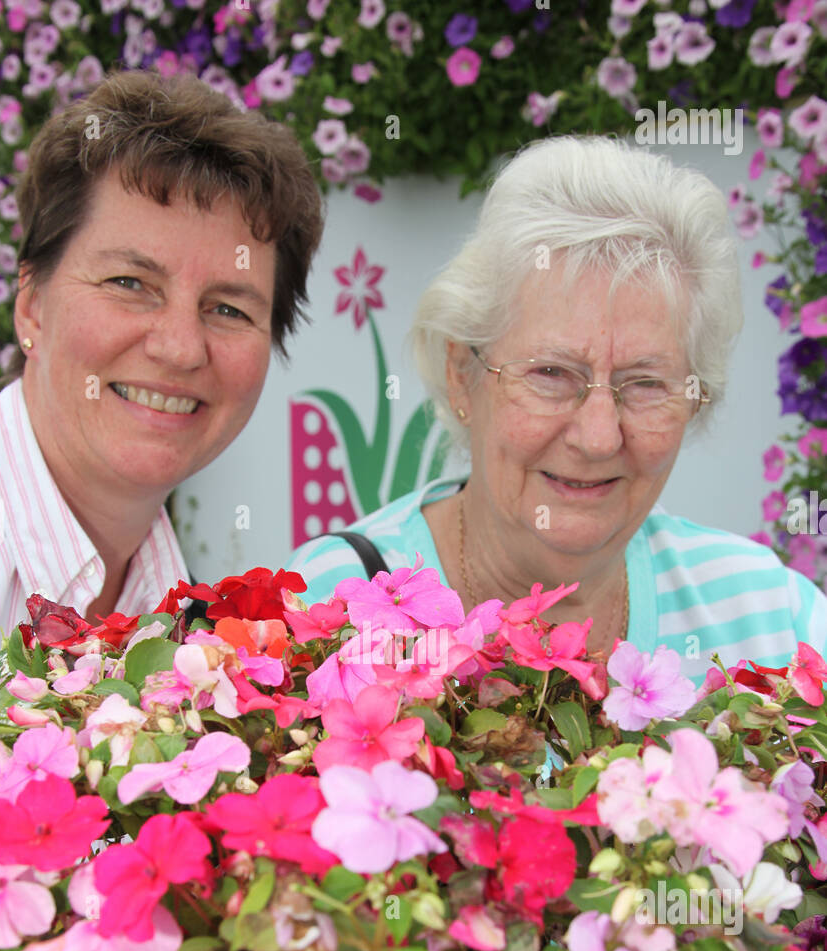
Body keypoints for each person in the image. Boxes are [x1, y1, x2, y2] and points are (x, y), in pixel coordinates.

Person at [289, 135, 827, 678]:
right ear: (461, 375)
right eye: (551, 373)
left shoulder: (771, 619)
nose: (598, 437)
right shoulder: (330, 603)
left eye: (644, 384)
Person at [0, 69, 323, 706]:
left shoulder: (196, 631)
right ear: (31, 306)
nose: (180, 348)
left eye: (229, 309)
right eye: (130, 283)